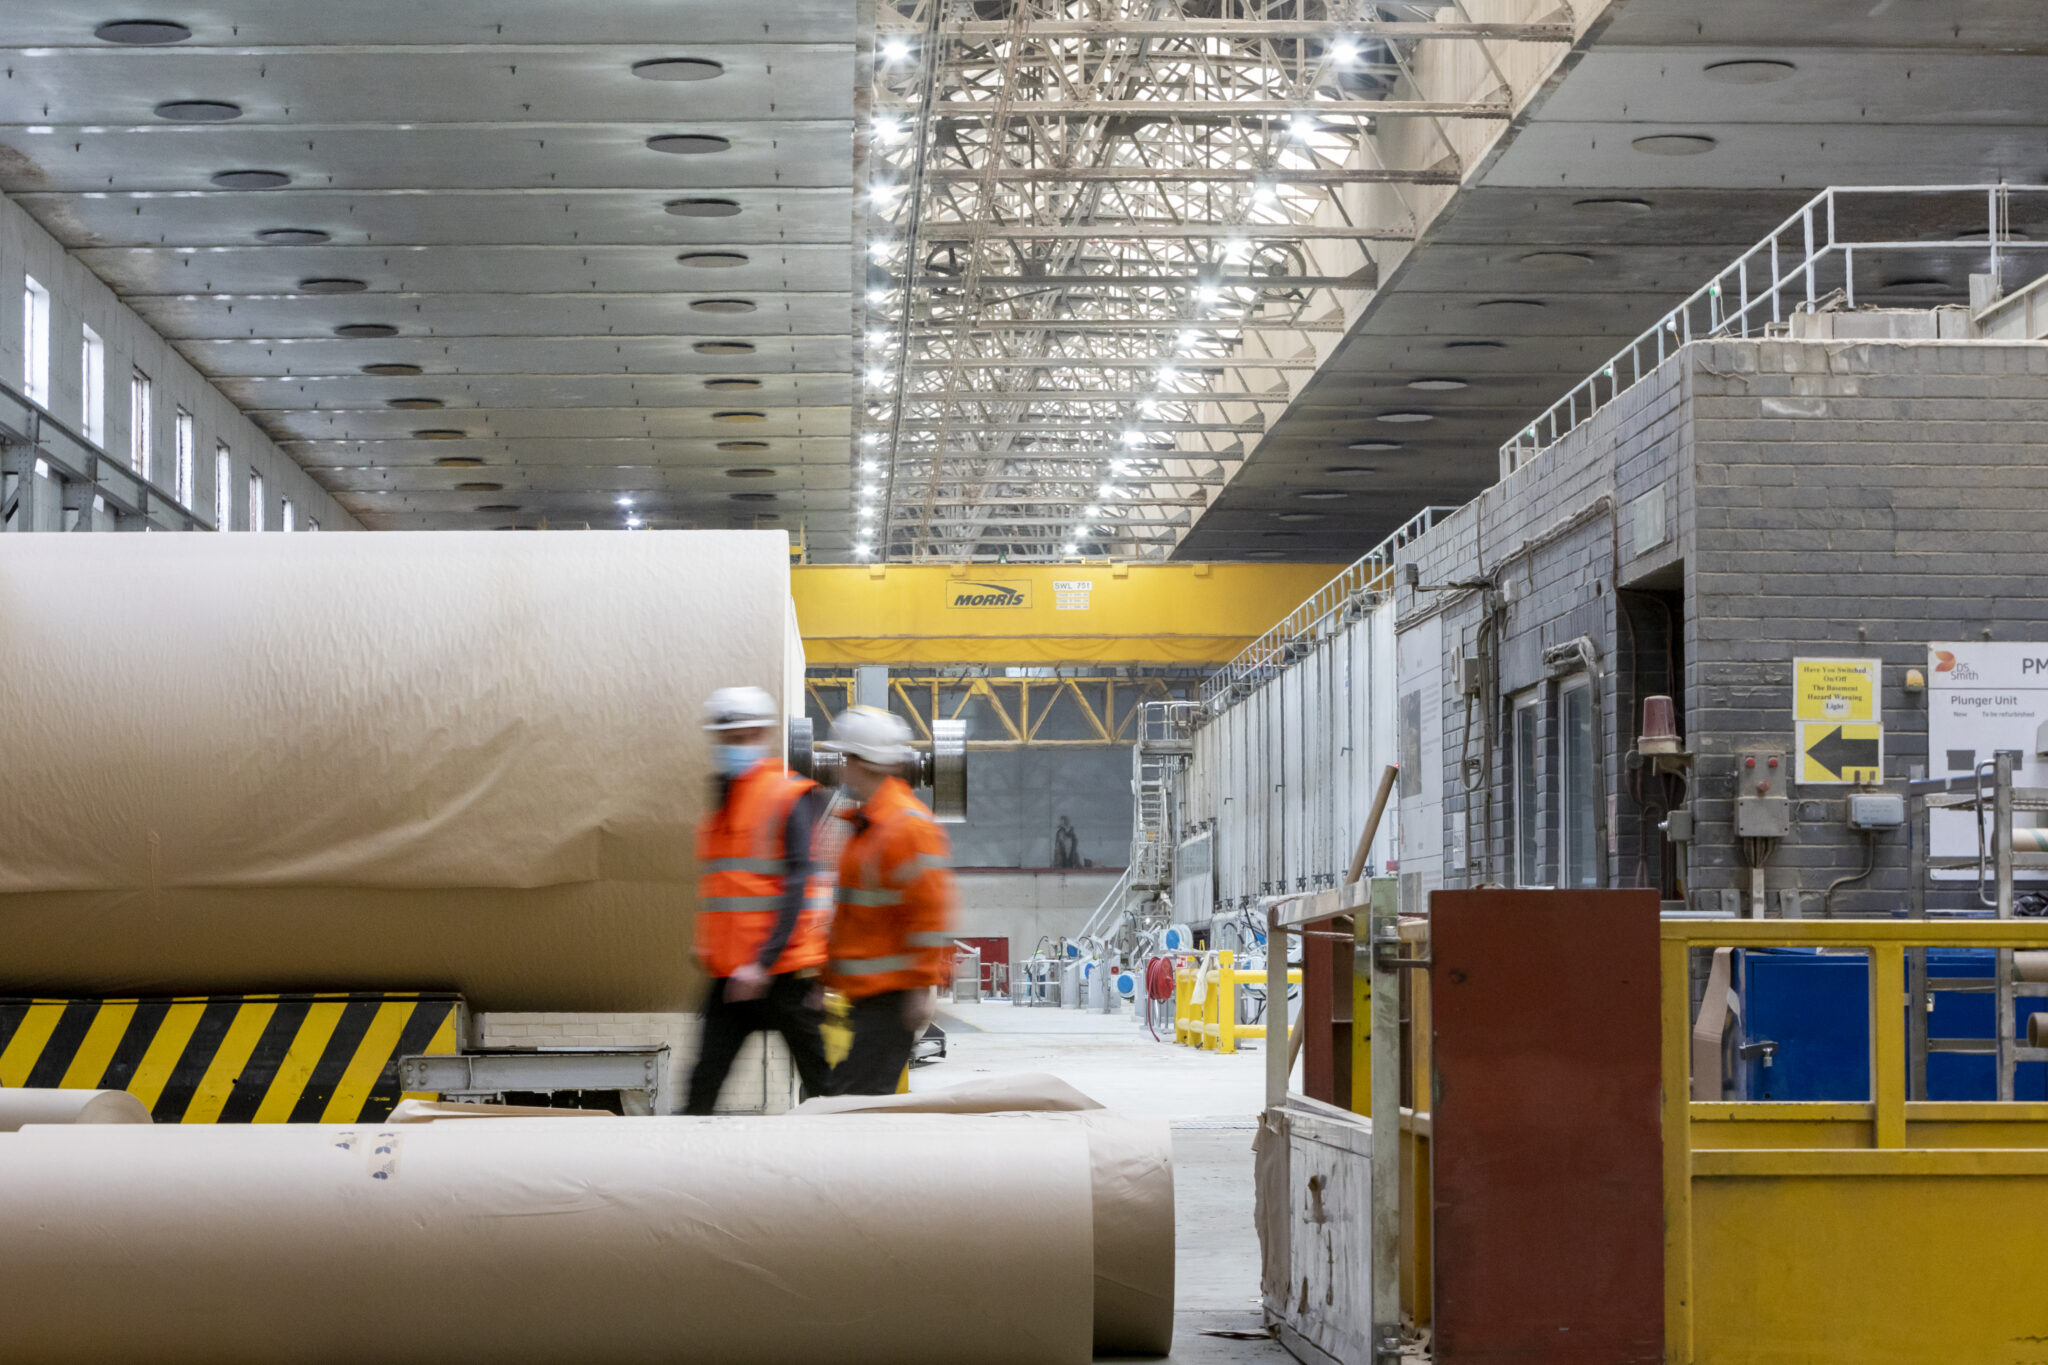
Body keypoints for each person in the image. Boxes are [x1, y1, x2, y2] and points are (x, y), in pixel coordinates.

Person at [685, 686, 834, 1114]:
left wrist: (762, 962)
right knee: (702, 1086)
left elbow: (797, 885)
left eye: (740, 738)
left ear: (761, 735)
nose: (731, 747)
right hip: (733, 974)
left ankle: (845, 1149)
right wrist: (712, 946)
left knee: (823, 1085)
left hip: (784, 973)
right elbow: (729, 890)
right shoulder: (724, 799)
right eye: (725, 739)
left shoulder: (787, 795)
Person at [820, 705, 957, 1095]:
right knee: (851, 1101)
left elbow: (929, 915)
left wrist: (920, 989)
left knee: (851, 1103)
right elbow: (852, 915)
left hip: (891, 1000)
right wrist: (826, 979)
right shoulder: (869, 824)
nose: (839, 769)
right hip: (864, 996)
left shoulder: (905, 826)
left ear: (863, 762)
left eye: (845, 759)